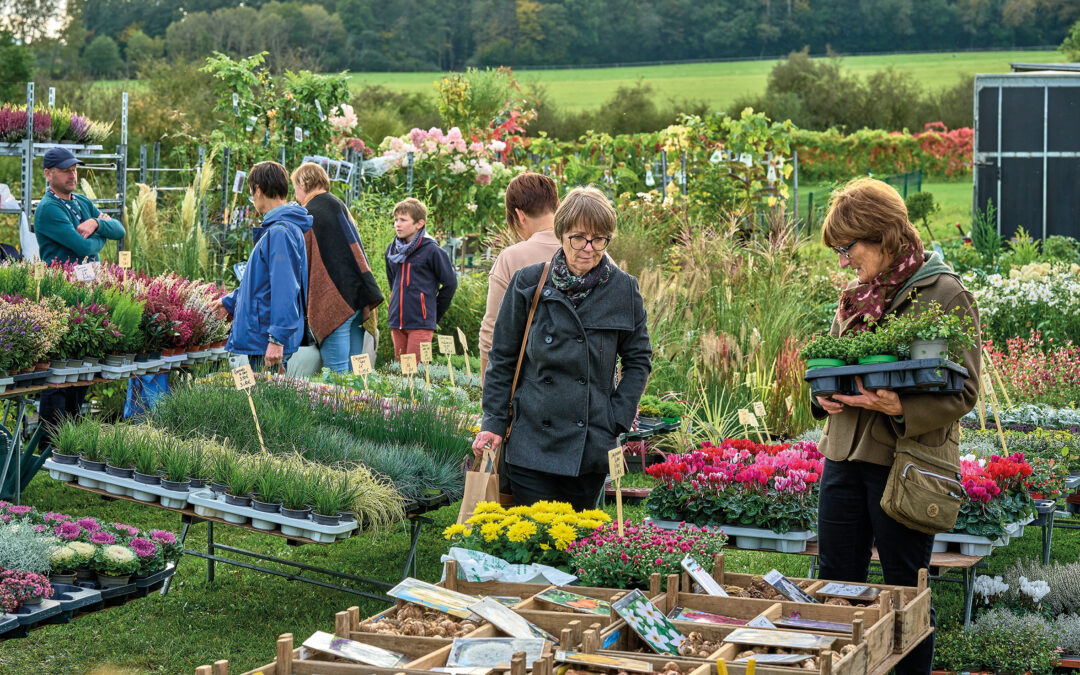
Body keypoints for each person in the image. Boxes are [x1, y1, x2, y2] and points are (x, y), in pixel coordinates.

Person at [813, 178, 980, 675]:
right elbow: (838, 362)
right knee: (835, 585)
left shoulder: (945, 293)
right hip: (843, 457)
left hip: (906, 465)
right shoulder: (856, 295)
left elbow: (965, 391)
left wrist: (900, 407)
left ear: (882, 236)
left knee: (905, 591)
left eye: (849, 248)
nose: (843, 260)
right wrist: (821, 395)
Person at [472, 186, 652, 510]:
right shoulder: (528, 283)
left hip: (590, 441)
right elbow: (503, 358)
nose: (588, 248)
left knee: (577, 545)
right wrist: (493, 423)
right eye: (578, 237)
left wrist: (617, 418)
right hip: (531, 439)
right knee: (535, 540)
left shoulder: (623, 289)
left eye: (599, 239)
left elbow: (638, 359)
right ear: (561, 233)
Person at [34, 147, 126, 441]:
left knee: (83, 366)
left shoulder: (82, 202)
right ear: (49, 174)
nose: (72, 174)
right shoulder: (49, 209)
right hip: (62, 295)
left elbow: (120, 230)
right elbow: (83, 247)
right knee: (61, 368)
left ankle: (71, 438)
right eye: (65, 170)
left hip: (88, 295)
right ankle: (51, 439)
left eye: (74, 169)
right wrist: (100, 235)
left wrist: (96, 223)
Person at [212, 161, 311, 371]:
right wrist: (229, 302)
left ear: (258, 190)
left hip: (267, 339)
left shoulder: (280, 232)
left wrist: (276, 339)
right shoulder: (281, 228)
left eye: (251, 193)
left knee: (266, 401)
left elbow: (285, 289)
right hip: (265, 335)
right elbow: (260, 282)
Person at [290, 162, 383, 373]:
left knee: (336, 377)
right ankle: (362, 406)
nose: (296, 195)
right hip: (358, 297)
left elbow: (301, 262)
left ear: (304, 182)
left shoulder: (309, 213)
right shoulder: (339, 205)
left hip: (334, 303)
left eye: (295, 187)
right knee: (355, 374)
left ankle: (340, 407)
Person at [479, 172, 561, 385]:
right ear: (557, 205)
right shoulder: (592, 253)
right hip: (586, 396)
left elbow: (492, 331)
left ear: (520, 215)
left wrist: (489, 395)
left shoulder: (511, 257)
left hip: (529, 387)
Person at [384, 198, 457, 361]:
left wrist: (432, 313)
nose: (397, 224)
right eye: (396, 220)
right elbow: (393, 283)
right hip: (397, 322)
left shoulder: (432, 250)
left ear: (419, 223)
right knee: (400, 373)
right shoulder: (392, 250)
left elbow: (450, 284)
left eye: (403, 220)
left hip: (421, 324)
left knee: (416, 373)